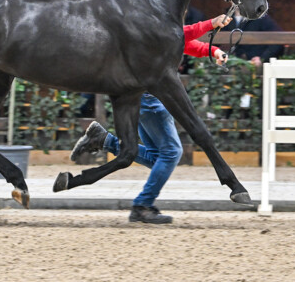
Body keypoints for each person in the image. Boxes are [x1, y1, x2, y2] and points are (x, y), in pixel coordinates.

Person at [70, 14, 232, 224]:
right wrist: (211, 24)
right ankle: (143, 205)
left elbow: (181, 41)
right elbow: (181, 34)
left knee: (159, 158)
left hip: (142, 95)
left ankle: (102, 140)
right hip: (151, 95)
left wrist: (213, 50)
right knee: (172, 152)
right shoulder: (148, 22)